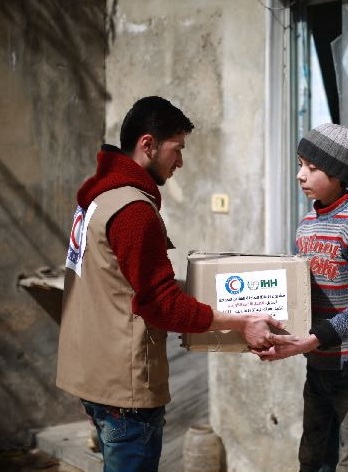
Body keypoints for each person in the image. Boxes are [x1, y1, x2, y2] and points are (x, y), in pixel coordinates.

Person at [56, 96, 294, 472]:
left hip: (92, 376)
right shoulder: (134, 211)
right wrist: (243, 321)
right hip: (125, 390)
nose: (180, 161)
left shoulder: (98, 198)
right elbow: (161, 303)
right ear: (148, 144)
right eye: (177, 149)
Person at [254, 123, 348, 471]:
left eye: (311, 167)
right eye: (300, 163)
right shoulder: (307, 224)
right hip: (319, 363)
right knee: (313, 458)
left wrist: (312, 340)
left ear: (337, 174)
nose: (300, 175)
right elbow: (296, 293)